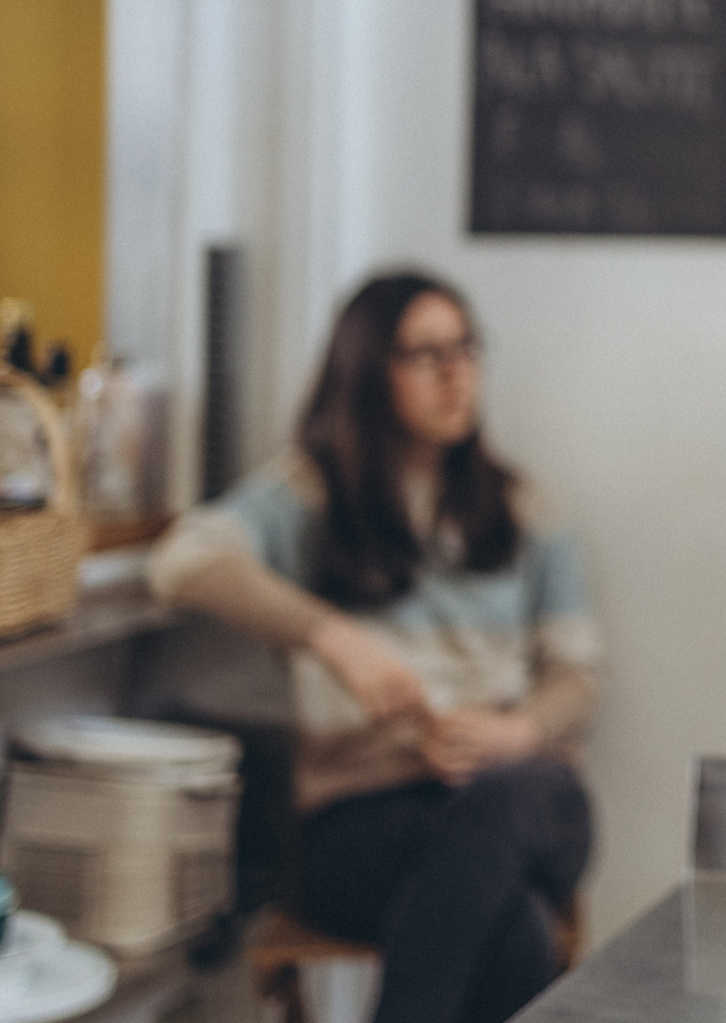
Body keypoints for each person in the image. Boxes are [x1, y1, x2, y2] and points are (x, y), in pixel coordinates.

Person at [150, 272, 599, 1023]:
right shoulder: (310, 494)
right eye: (426, 354)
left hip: (522, 794)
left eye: (466, 348)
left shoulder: (525, 506)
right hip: (364, 822)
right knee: (515, 925)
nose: (456, 373)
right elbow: (181, 560)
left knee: (511, 797)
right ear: (365, 370)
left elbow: (579, 675)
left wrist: (515, 732)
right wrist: (333, 637)